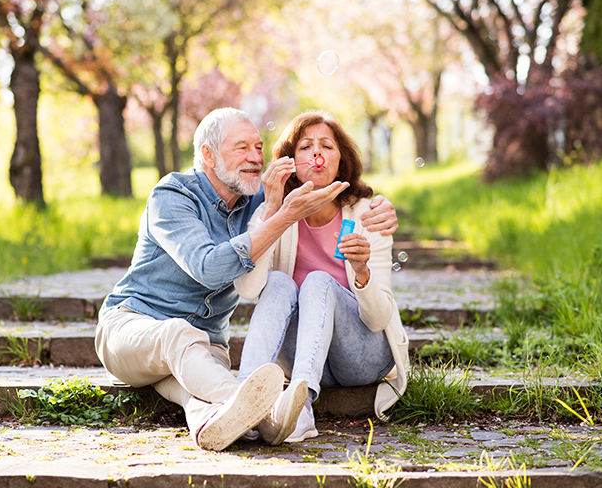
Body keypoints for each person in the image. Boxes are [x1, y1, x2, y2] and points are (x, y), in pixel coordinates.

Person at [95, 107, 399, 451]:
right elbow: (209, 268)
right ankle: (266, 409)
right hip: (132, 328)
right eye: (242, 148)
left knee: (194, 398)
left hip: (206, 347)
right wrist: (279, 214)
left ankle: (221, 427)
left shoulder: (260, 199)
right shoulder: (173, 195)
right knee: (178, 335)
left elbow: (305, 191)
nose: (255, 157)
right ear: (207, 155)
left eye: (258, 147)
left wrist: (383, 206)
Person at [234, 110, 409, 444]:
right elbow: (248, 287)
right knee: (279, 282)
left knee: (316, 281)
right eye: (305, 147)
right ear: (290, 162)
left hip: (360, 356)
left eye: (327, 146)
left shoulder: (368, 215)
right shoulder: (272, 213)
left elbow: (378, 319)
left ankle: (300, 409)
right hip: (305, 353)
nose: (317, 154)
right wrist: (273, 212)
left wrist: (362, 273)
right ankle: (246, 400)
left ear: (340, 161)